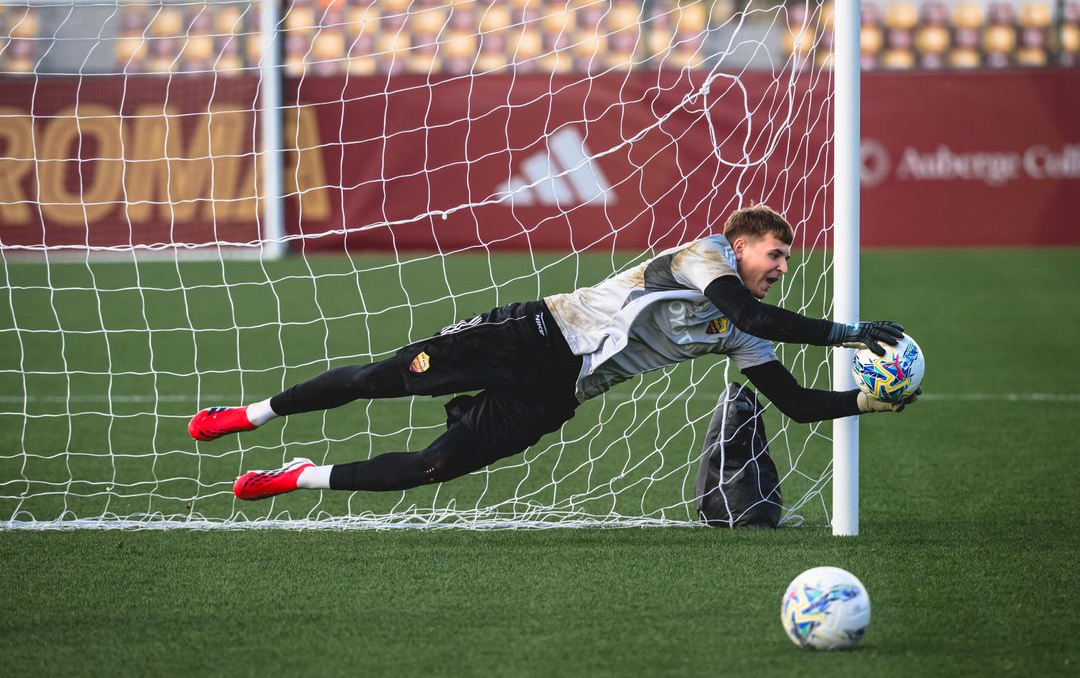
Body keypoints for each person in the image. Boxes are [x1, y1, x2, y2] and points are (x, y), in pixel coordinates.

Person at [189, 204, 920, 501]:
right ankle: (248, 416)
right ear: (739, 245)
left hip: (556, 394)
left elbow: (791, 404)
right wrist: (845, 334)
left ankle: (293, 479)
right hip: (532, 337)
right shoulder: (701, 258)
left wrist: (867, 398)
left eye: (787, 259)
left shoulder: (748, 331)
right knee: (377, 378)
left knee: (432, 467)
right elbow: (746, 305)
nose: (782, 264)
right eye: (776, 253)